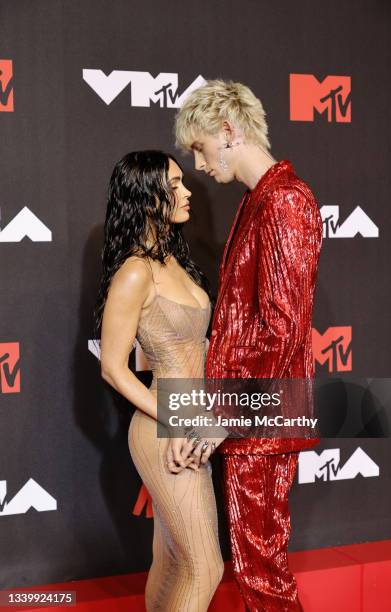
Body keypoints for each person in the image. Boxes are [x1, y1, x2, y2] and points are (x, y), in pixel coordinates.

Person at [174, 80, 323, 611]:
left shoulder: (284, 201)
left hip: (261, 420)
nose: (196, 163)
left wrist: (226, 413)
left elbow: (281, 328)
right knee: (257, 569)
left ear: (229, 131)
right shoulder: (258, 201)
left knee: (263, 575)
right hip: (249, 417)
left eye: (199, 146)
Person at [93, 150, 225, 612]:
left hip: (192, 423)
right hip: (165, 425)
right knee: (206, 567)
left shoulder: (172, 258)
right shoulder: (134, 271)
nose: (188, 192)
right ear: (147, 197)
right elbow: (112, 367)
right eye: (175, 184)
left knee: (171, 560)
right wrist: (180, 417)